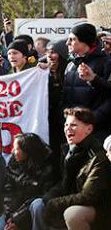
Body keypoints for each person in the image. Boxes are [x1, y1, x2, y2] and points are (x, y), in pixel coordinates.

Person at [33, 108, 111, 230]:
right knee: (38, 203)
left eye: (74, 125)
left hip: (99, 208)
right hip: (77, 199)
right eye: (66, 125)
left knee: (73, 213)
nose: (68, 128)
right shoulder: (68, 149)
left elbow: (89, 196)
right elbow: (64, 184)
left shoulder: (98, 156)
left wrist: (55, 204)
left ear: (89, 129)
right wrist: (48, 199)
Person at [0, 133, 56, 230]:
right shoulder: (13, 162)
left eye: (16, 149)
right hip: (17, 208)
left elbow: (42, 195)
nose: (13, 151)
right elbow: (8, 191)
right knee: (1, 229)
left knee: (39, 204)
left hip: (34, 208)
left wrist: (18, 219)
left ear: (28, 150)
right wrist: (9, 215)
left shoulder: (48, 166)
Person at [61, 23, 111, 139]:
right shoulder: (70, 66)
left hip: (96, 131)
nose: (67, 43)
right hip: (72, 131)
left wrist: (90, 120)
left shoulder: (106, 63)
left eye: (72, 39)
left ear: (85, 42)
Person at [45, 40, 69, 179]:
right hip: (50, 122)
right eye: (48, 52)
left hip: (64, 121)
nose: (50, 56)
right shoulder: (43, 71)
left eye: (53, 52)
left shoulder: (69, 70)